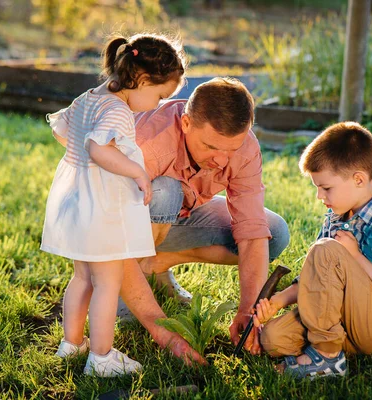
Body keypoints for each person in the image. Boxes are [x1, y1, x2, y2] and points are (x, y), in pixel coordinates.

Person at [40, 33, 204, 377]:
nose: (159, 104)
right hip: (103, 210)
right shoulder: (117, 111)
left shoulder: (90, 97)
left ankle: (72, 344)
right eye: (160, 95)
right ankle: (101, 358)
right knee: (108, 282)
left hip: (78, 200)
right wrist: (137, 173)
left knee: (82, 276)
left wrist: (82, 163)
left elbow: (63, 130)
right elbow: (100, 150)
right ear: (141, 80)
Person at [117, 77, 291, 355]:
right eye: (211, 147)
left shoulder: (245, 147)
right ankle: (121, 283)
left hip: (181, 215)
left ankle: (155, 264)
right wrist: (157, 326)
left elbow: (253, 232)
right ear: (186, 124)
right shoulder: (149, 144)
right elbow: (109, 234)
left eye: (231, 149)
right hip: (118, 230)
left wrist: (248, 311)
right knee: (165, 191)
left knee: (275, 233)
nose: (222, 160)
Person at [253, 122, 372, 379]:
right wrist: (278, 301)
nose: (319, 196)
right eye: (317, 188)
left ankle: (327, 357)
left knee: (326, 251)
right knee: (273, 339)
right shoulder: (335, 219)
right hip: (343, 320)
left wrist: (354, 255)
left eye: (326, 188)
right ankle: (339, 347)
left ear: (358, 179)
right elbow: (315, 281)